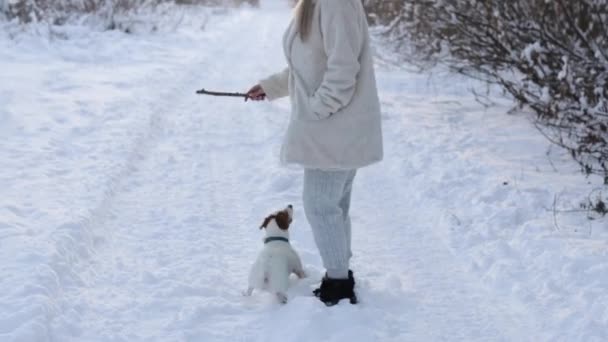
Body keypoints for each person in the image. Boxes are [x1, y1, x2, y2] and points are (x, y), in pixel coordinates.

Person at [246, 0, 383, 306]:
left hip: (336, 127)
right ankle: (339, 274)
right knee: (333, 206)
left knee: (320, 205)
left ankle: (339, 284)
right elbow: (306, 66)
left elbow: (343, 68)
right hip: (331, 128)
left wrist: (318, 109)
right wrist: (271, 86)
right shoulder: (314, 4)